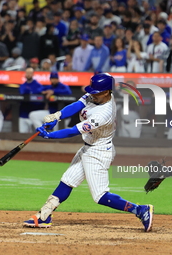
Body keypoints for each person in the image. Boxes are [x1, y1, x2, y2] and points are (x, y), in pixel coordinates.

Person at [23, 73, 154, 232]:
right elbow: (77, 105)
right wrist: (57, 116)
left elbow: (73, 131)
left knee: (100, 196)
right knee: (67, 180)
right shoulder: (97, 94)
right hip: (88, 147)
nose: (91, 94)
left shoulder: (104, 113)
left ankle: (140, 210)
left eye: (95, 92)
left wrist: (49, 135)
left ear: (106, 92)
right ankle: (45, 215)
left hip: (98, 152)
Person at [19, 67, 43, 133]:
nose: (28, 74)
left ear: (33, 74)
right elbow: (23, 93)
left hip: (34, 114)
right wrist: (31, 92)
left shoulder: (38, 85)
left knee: (36, 136)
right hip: (23, 114)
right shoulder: (22, 85)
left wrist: (32, 92)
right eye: (27, 73)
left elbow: (40, 96)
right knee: (22, 135)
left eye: (30, 73)